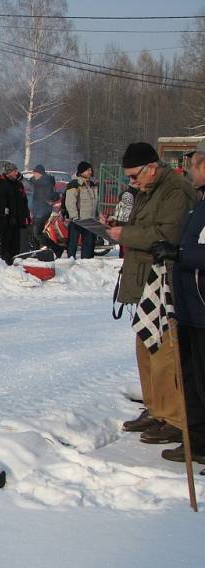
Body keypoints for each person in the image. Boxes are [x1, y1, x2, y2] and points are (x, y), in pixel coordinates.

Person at [108, 142, 197, 444]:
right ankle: (155, 408)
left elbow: (167, 236)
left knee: (165, 351)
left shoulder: (176, 190)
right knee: (145, 348)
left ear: (151, 167)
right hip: (144, 279)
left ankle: (173, 416)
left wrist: (127, 234)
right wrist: (119, 227)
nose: (132, 183)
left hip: (164, 281)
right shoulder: (146, 191)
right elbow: (141, 226)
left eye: (135, 176)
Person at [149, 141, 205, 464]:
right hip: (189, 307)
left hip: (202, 305)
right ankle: (196, 442)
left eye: (195, 164)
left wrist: (180, 253)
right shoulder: (199, 202)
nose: (189, 170)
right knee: (192, 381)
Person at [65, 161, 99, 259]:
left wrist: (96, 215)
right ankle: (70, 263)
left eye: (90, 170)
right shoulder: (74, 184)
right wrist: (75, 217)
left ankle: (86, 264)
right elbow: (70, 202)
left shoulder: (92, 184)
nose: (90, 172)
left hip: (89, 220)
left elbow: (94, 202)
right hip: (78, 220)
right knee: (73, 244)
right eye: (88, 170)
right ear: (81, 171)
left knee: (88, 245)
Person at [28, 164, 61, 257]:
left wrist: (48, 200)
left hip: (43, 211)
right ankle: (36, 252)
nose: (33, 174)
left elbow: (48, 196)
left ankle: (57, 248)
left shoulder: (45, 182)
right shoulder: (36, 182)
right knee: (34, 233)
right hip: (37, 210)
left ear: (40, 173)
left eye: (35, 172)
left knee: (37, 233)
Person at [1, 161, 28, 259]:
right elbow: (2, 202)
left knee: (17, 242)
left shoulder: (18, 184)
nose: (17, 173)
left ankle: (15, 258)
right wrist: (7, 216)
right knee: (8, 241)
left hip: (19, 217)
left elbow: (24, 200)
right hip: (8, 219)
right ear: (8, 172)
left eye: (16, 170)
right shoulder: (3, 184)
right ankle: (7, 260)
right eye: (14, 171)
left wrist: (27, 214)